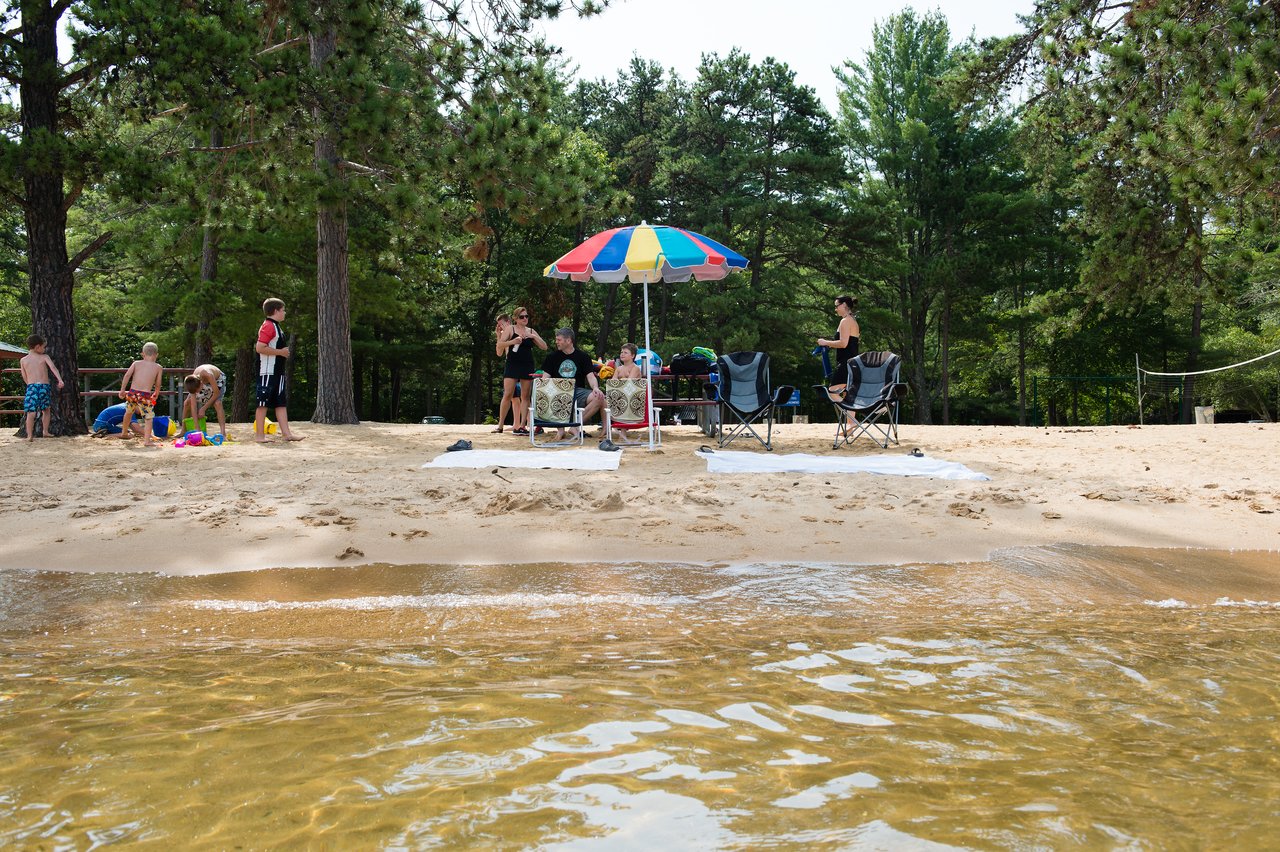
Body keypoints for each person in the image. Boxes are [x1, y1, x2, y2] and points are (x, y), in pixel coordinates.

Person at [536, 327, 604, 439]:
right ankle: (561, 430)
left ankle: (575, 426)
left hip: (577, 391)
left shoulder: (583, 357)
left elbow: (591, 376)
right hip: (558, 392)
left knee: (599, 397)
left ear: (568, 340)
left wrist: (595, 388)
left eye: (559, 340)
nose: (556, 342)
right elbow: (545, 379)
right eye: (556, 339)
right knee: (549, 394)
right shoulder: (552, 357)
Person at [254, 297, 304, 442]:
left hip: (277, 371)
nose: (284, 313)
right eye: (282, 310)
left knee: (280, 402)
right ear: (275, 311)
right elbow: (260, 348)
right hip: (267, 371)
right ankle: (259, 436)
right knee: (263, 403)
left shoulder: (276, 327)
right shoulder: (268, 326)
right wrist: (281, 352)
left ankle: (287, 434)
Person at [495, 307, 547, 435]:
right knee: (508, 394)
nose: (525, 319)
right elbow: (499, 345)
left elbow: (544, 347)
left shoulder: (531, 331)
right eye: (522, 317)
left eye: (526, 316)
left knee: (525, 396)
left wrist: (533, 336)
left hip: (527, 365)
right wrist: (513, 341)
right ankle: (500, 425)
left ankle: (522, 426)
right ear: (515, 319)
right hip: (512, 364)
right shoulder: (510, 329)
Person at [19, 334, 64, 441]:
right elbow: (53, 368)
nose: (44, 349)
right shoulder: (44, 357)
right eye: (43, 347)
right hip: (43, 386)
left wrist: (29, 384)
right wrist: (60, 379)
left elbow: (24, 375)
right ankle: (41, 432)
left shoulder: (24, 360)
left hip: (32, 386)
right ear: (37, 347)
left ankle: (33, 434)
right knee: (44, 410)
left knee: (34, 411)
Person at [118, 342, 164, 446]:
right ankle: (147, 441)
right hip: (145, 395)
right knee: (148, 418)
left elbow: (127, 375)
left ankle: (124, 432)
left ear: (143, 354)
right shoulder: (158, 367)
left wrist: (122, 390)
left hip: (132, 392)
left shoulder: (136, 363)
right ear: (156, 354)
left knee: (128, 412)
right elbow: (158, 383)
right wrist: (156, 392)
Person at [817, 294, 861, 400]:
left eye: (837, 306)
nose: (835, 309)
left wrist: (825, 342)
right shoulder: (852, 320)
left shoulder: (845, 321)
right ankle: (849, 415)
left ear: (844, 305)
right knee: (848, 396)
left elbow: (843, 343)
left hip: (845, 364)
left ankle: (848, 409)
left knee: (833, 392)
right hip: (852, 363)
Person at [183, 363, 228, 438]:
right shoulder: (193, 381)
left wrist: (203, 408)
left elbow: (216, 393)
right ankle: (183, 430)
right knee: (187, 402)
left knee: (217, 403)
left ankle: (223, 433)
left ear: (201, 384)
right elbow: (193, 406)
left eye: (197, 391)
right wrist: (197, 428)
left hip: (217, 379)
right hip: (201, 381)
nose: (197, 393)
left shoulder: (208, 375)